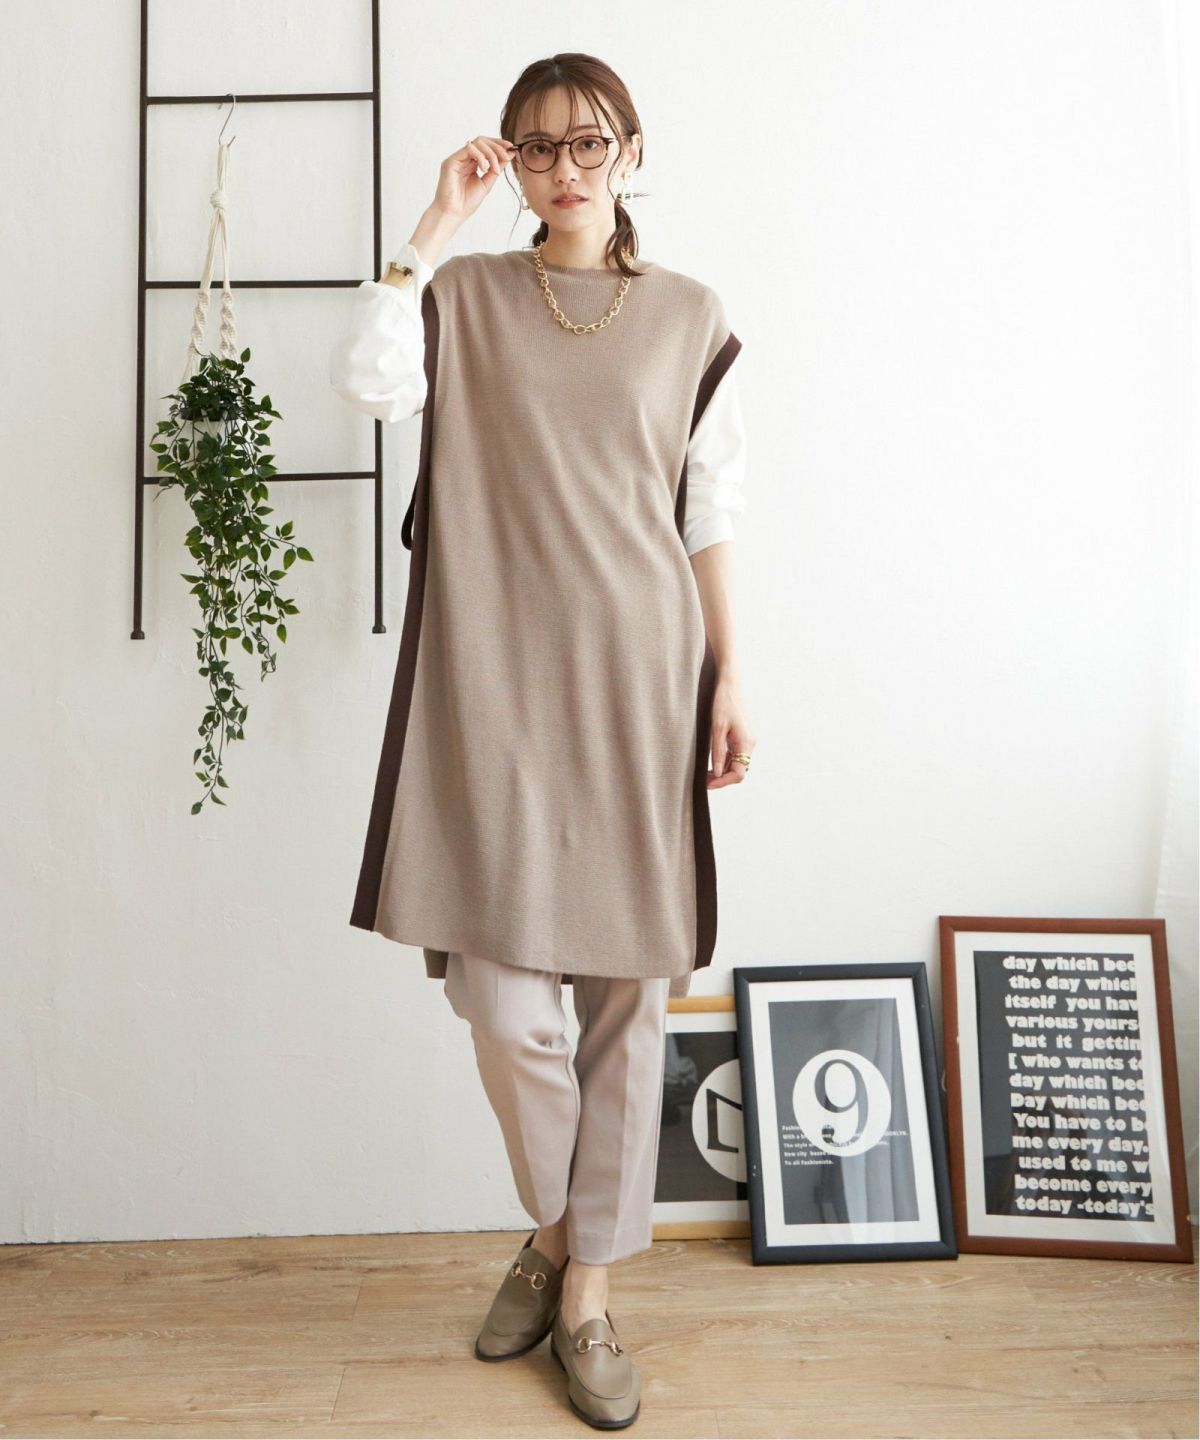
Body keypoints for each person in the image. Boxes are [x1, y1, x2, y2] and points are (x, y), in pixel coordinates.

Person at [329, 52, 756, 1431]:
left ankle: (585, 1294)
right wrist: (431, 223)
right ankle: (568, 1232)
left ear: (631, 150)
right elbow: (369, 385)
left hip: (642, 677)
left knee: (626, 1000)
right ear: (508, 162)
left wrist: (731, 676)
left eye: (588, 143)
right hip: (492, 684)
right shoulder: (462, 296)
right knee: (507, 1006)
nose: (564, 169)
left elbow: (707, 508)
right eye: (536, 148)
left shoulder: (689, 316)